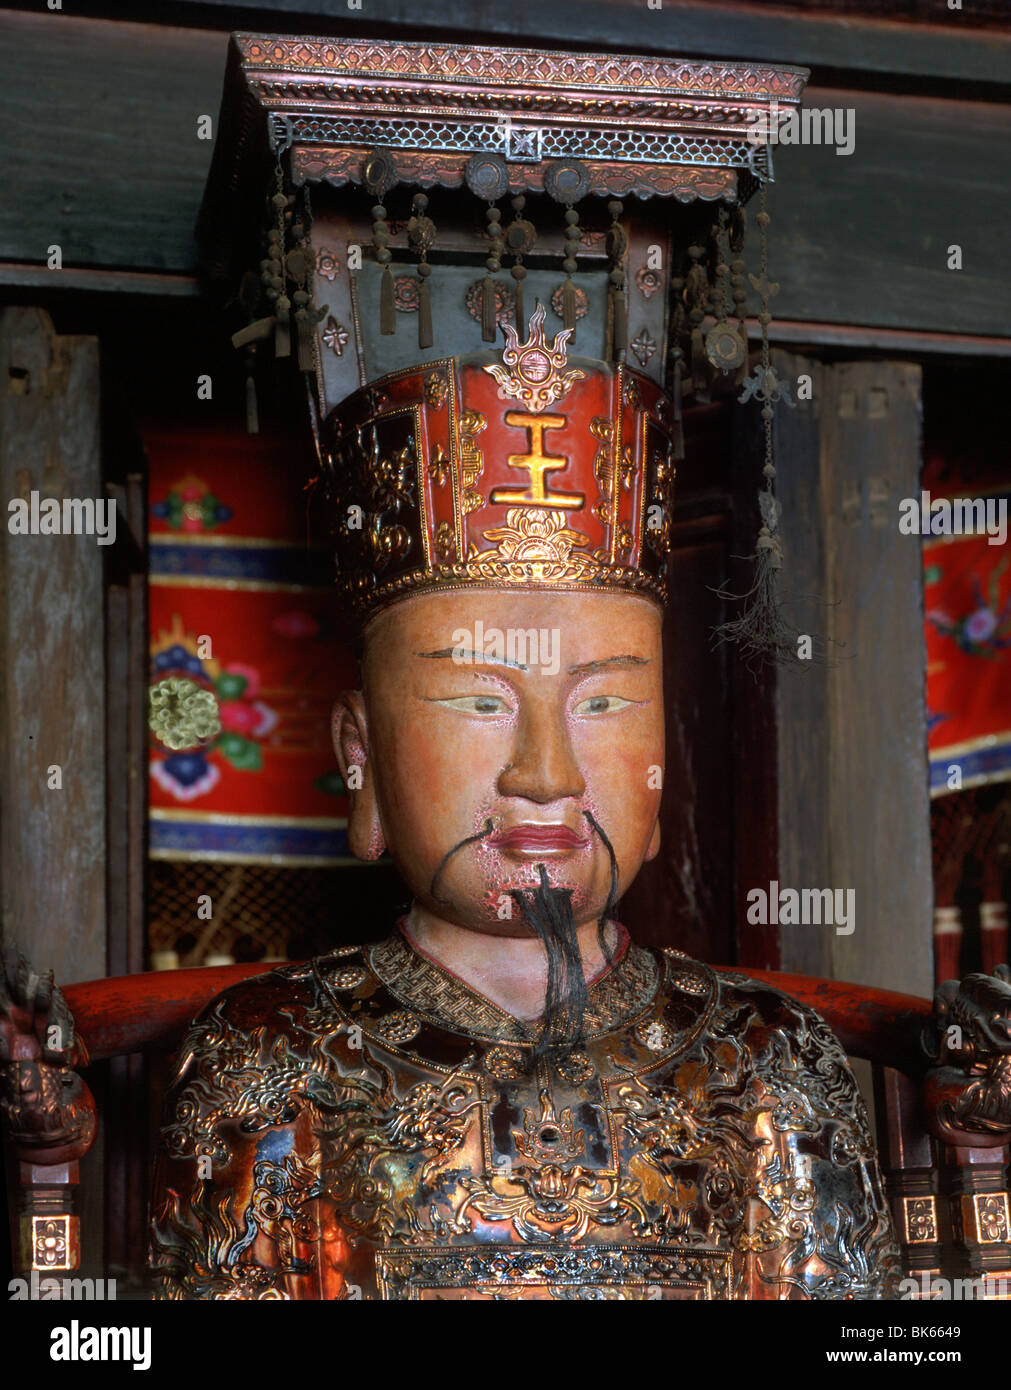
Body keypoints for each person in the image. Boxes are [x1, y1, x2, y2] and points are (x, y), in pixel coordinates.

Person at [149, 310, 899, 1300]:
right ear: (359, 757)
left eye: (603, 701)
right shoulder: (273, 1060)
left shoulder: (765, 1060)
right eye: (478, 700)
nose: (546, 772)